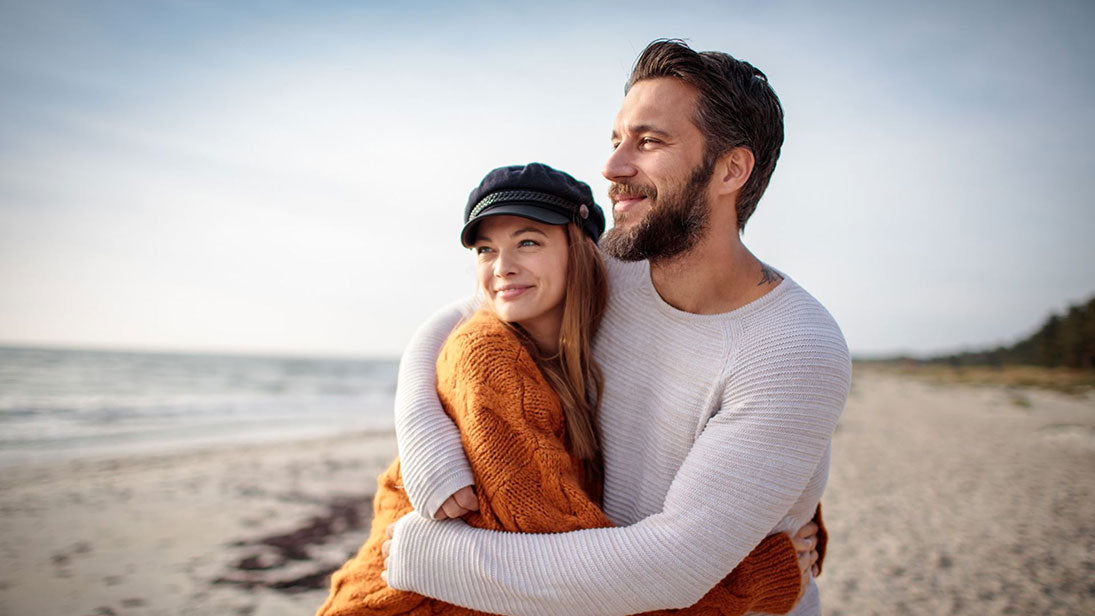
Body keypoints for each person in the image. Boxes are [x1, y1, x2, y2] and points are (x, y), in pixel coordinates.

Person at [381, 40, 851, 616]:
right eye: (616, 140)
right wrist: (425, 437)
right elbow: (457, 316)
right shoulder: (616, 265)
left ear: (731, 169)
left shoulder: (793, 347)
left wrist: (430, 559)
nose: (612, 167)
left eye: (649, 141)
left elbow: (668, 568)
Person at [316, 163, 821, 616]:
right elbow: (574, 594)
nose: (502, 267)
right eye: (485, 250)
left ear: (583, 251)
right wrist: (761, 574)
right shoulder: (490, 359)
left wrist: (773, 504)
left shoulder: (582, 338)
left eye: (528, 241)